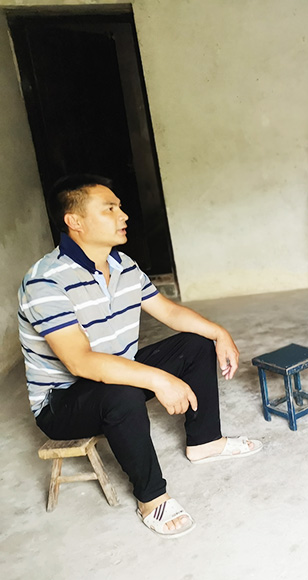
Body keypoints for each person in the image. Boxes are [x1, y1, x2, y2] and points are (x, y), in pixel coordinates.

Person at [18, 174, 262, 539]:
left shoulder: (123, 265)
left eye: (119, 207)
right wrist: (159, 379)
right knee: (121, 393)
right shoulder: (45, 280)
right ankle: (151, 498)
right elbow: (80, 362)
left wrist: (218, 333)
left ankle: (205, 441)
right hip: (63, 403)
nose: (123, 215)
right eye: (110, 209)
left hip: (118, 374)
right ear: (75, 221)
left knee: (196, 343)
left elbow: (168, 311)